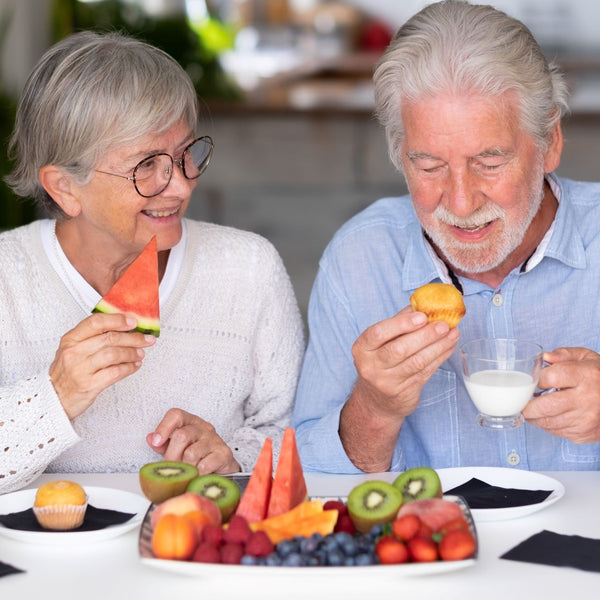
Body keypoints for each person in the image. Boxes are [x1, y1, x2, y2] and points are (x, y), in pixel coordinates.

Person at [292, 0, 600, 473]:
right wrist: (374, 407)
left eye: (489, 163)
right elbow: (307, 478)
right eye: (429, 165)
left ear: (551, 142)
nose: (460, 202)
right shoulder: (362, 257)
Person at [0, 31, 304, 494]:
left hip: (193, 552)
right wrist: (56, 395)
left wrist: (234, 458)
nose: (180, 186)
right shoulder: (6, 277)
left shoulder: (249, 268)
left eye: (186, 155)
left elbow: (302, 437)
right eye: (146, 165)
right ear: (64, 187)